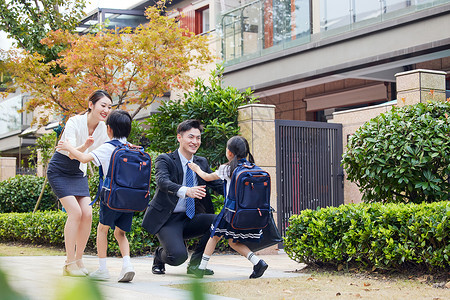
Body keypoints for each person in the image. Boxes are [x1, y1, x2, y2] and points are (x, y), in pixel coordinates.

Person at [56, 109, 136, 282]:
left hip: (112, 197)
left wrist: (69, 147)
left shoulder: (108, 147)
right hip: (129, 199)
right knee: (120, 233)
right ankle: (127, 265)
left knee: (102, 229)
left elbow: (83, 159)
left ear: (109, 129)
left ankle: (102, 269)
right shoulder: (131, 148)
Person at [141, 119, 223, 276]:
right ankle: (159, 255)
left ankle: (196, 265)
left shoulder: (201, 162)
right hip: (168, 219)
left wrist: (241, 190)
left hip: (191, 218)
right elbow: (163, 182)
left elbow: (217, 185)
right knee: (177, 257)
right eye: (191, 137)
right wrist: (186, 191)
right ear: (179, 137)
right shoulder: (165, 159)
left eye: (198, 138)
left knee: (218, 221)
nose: (195, 142)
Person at [47, 90, 112, 277]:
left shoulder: (102, 128)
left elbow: (109, 148)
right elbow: (68, 151)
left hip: (78, 173)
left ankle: (79, 259)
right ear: (91, 105)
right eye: (103, 105)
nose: (106, 110)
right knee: (75, 212)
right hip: (59, 169)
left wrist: (126, 147)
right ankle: (69, 263)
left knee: (88, 214)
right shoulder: (74, 121)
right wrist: (85, 147)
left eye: (109, 107)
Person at [187, 136, 268, 279]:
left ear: (229, 153)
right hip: (245, 212)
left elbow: (206, 177)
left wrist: (196, 168)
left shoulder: (227, 168)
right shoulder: (252, 167)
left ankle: (201, 268)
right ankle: (258, 262)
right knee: (233, 241)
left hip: (230, 211)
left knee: (213, 236)